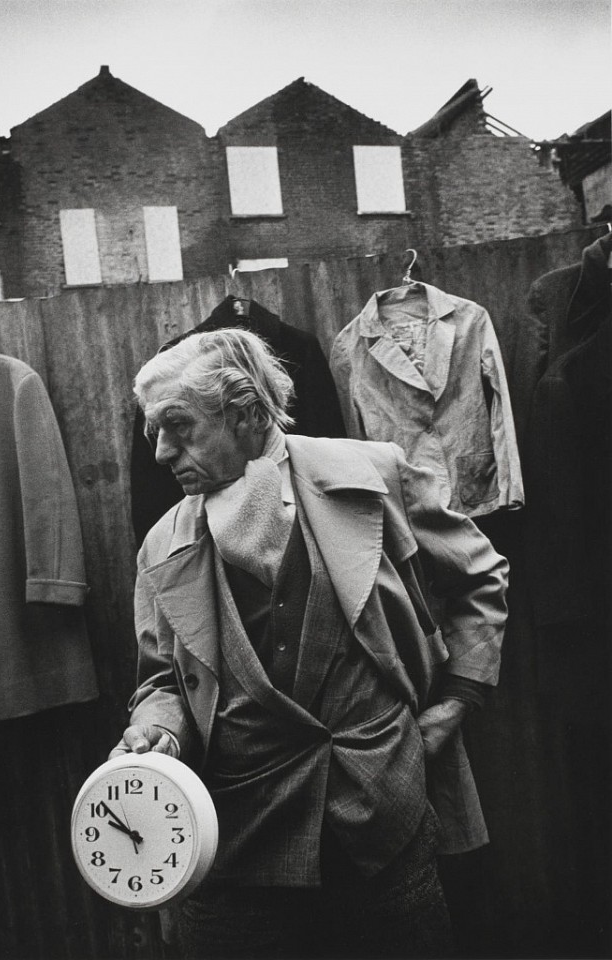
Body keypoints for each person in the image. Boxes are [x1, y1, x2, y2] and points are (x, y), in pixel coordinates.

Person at [112, 328, 509, 959]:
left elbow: (479, 576)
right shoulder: (162, 546)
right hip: (236, 843)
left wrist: (461, 697)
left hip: (381, 821)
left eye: (178, 426)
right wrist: (158, 732)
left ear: (242, 412)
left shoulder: (373, 475)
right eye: (153, 431)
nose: (160, 452)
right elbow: (161, 681)